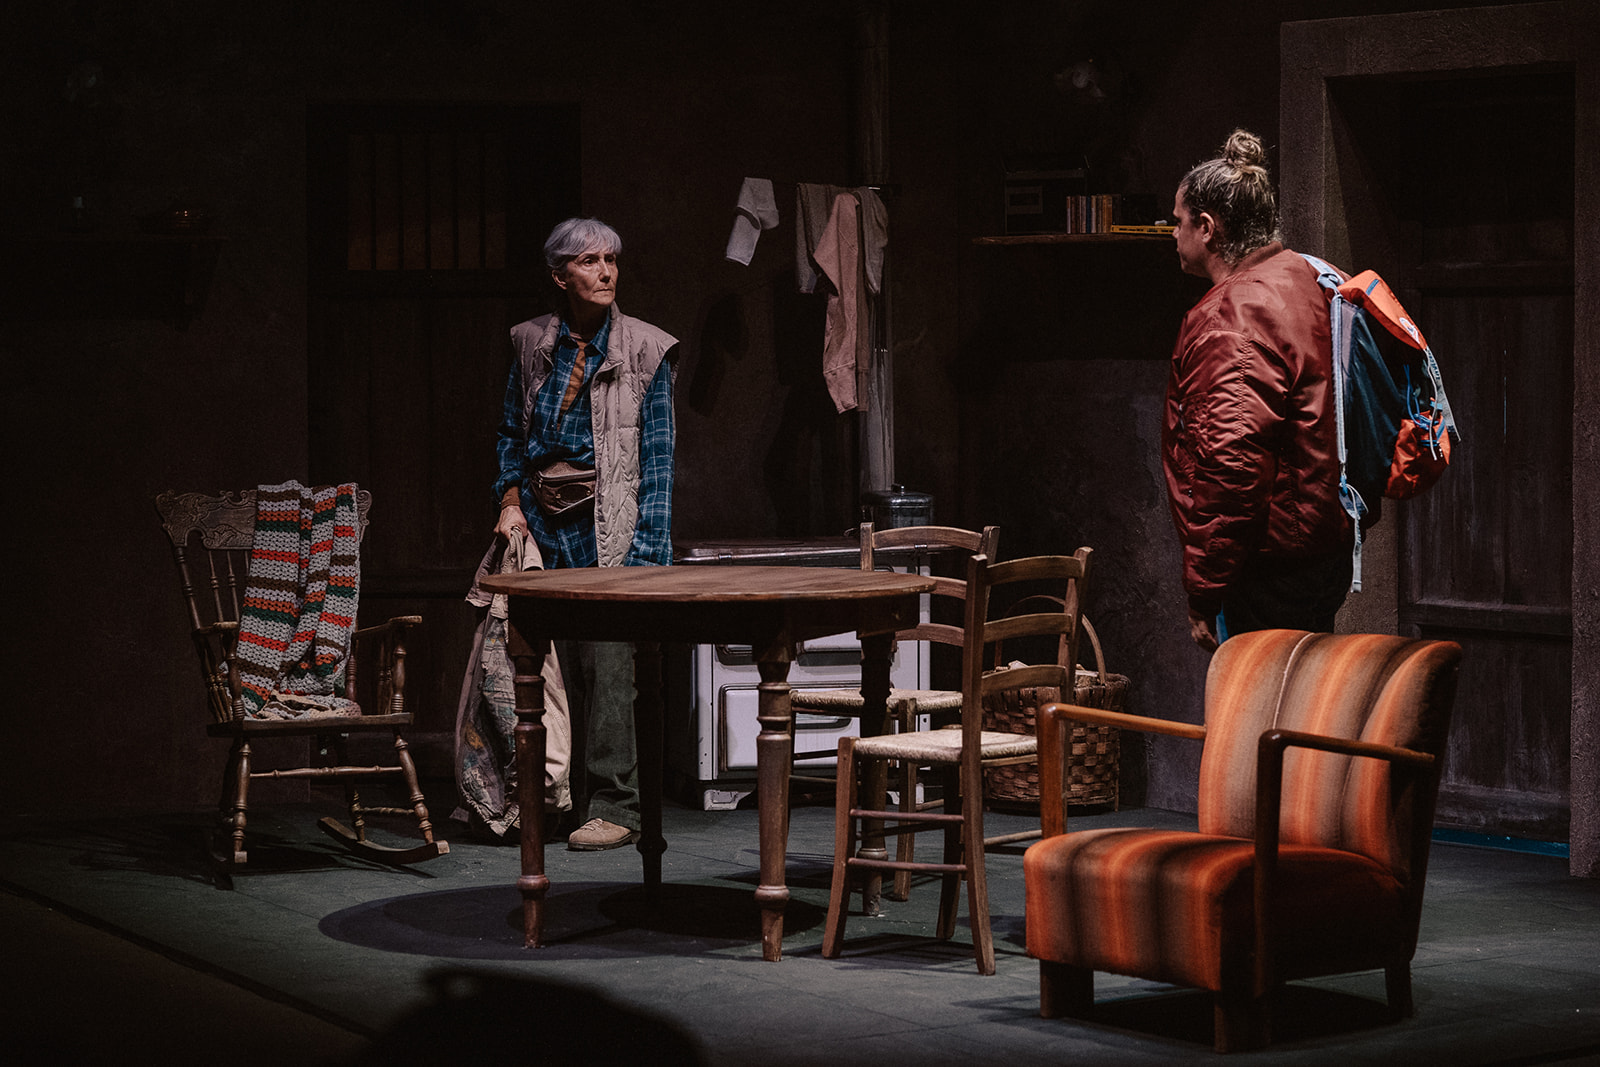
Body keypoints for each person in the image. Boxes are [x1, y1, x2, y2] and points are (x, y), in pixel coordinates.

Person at [492, 217, 679, 850]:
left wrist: (648, 554)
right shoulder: (530, 343)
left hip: (610, 522)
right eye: (590, 261)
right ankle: (549, 797)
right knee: (544, 669)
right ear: (560, 275)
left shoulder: (647, 349)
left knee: (610, 666)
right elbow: (511, 435)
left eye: (611, 260)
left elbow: (658, 462)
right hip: (542, 524)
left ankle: (615, 804)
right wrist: (510, 502)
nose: (605, 272)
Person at [1162, 130, 1352, 653]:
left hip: (1268, 567)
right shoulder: (1307, 278)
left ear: (1207, 227)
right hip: (1322, 549)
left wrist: (1204, 588)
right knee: (1305, 694)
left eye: (1178, 221)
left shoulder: (1232, 317)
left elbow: (1232, 468)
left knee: (1261, 701)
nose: (1173, 234)